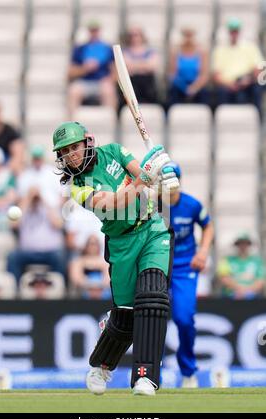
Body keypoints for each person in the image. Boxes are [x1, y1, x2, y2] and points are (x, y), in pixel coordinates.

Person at [52, 121, 179, 396]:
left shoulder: (113, 151)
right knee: (125, 317)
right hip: (121, 244)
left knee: (152, 297)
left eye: (74, 147)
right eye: (64, 152)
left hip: (152, 228)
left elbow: (142, 177)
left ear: (87, 141)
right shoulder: (77, 188)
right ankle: (101, 365)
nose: (71, 154)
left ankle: (146, 377)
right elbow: (115, 203)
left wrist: (163, 175)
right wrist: (147, 175)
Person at [168, 163, 214, 388]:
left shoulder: (191, 204)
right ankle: (148, 371)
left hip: (185, 268)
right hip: (157, 266)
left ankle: (188, 371)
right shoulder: (151, 205)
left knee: (184, 319)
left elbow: (208, 225)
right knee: (148, 320)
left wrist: (203, 251)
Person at [7, 186, 65, 285]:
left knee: (60, 257)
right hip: (27, 252)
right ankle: (15, 292)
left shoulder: (49, 209)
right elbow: (13, 224)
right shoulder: (23, 210)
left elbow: (58, 224)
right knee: (12, 257)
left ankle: (59, 290)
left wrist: (42, 199)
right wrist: (28, 199)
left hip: (49, 252)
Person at [212, 18, 263, 116]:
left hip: (247, 83)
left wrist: (249, 80)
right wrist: (230, 84)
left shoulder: (250, 47)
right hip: (227, 85)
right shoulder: (219, 50)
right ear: (228, 32)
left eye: (236, 31)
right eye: (232, 31)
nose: (234, 33)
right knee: (222, 93)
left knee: (256, 89)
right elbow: (216, 76)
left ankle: (258, 120)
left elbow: (258, 69)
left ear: (239, 32)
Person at [67, 21, 117, 118]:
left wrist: (109, 79)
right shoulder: (80, 49)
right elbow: (71, 72)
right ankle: (72, 125)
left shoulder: (107, 49)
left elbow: (115, 71)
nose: (94, 33)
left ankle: (110, 122)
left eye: (96, 30)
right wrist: (85, 68)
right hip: (84, 82)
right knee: (73, 91)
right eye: (92, 30)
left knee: (109, 91)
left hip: (102, 83)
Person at [167, 27, 209, 108]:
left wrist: (194, 87)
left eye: (190, 35)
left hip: (196, 84)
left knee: (204, 93)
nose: (188, 38)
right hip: (180, 84)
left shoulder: (201, 52)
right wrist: (184, 87)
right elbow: (172, 74)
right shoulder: (175, 52)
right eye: (186, 35)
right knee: (173, 91)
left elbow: (204, 75)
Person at [217, 233, 265, 299]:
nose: (243, 246)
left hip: (252, 298)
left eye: (245, 243)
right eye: (240, 243)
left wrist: (247, 291)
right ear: (237, 245)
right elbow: (224, 278)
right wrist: (239, 289)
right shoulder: (227, 260)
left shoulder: (257, 261)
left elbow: (261, 281)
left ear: (249, 245)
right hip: (230, 296)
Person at [122, 27, 159, 105]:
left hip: (148, 84)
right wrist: (144, 64)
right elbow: (125, 69)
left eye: (136, 35)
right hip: (132, 83)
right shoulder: (125, 51)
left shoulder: (150, 51)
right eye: (131, 35)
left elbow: (153, 67)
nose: (134, 38)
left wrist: (134, 65)